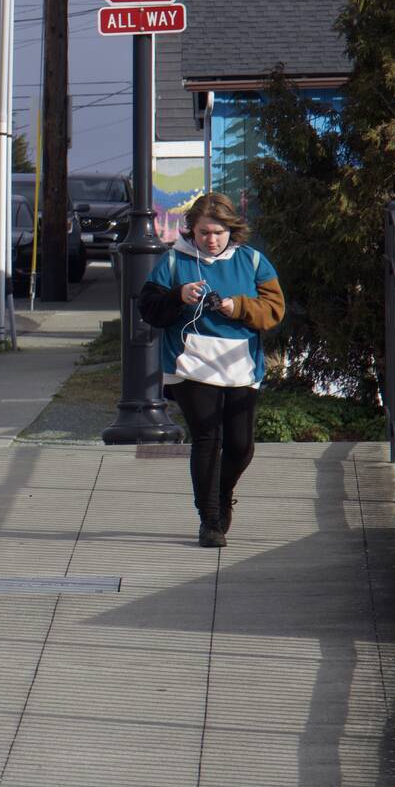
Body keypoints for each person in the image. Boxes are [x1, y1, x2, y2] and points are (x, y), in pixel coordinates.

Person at [139, 193, 285, 548]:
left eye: (219, 232)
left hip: (240, 364)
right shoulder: (174, 261)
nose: (211, 239)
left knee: (241, 445)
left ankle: (222, 493)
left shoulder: (252, 261)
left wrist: (237, 307)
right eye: (204, 232)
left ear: (231, 230)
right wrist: (178, 295)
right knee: (208, 437)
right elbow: (149, 309)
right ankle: (210, 521)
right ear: (192, 230)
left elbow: (274, 310)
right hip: (190, 363)